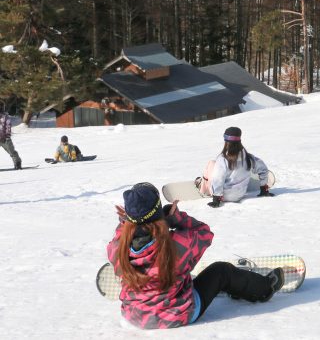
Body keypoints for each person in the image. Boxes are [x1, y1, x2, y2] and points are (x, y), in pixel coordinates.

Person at [107, 182, 283, 329]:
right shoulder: (177, 245)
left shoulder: (117, 248)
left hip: (135, 316)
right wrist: (175, 219)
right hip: (176, 315)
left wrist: (126, 223)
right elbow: (205, 233)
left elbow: (125, 231)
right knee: (222, 271)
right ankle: (265, 289)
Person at [196, 127, 272, 207]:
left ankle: (202, 187)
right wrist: (263, 188)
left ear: (226, 141)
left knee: (211, 163)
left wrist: (216, 198)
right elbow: (263, 169)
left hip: (223, 196)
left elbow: (218, 178)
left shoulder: (223, 159)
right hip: (240, 194)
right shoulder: (248, 157)